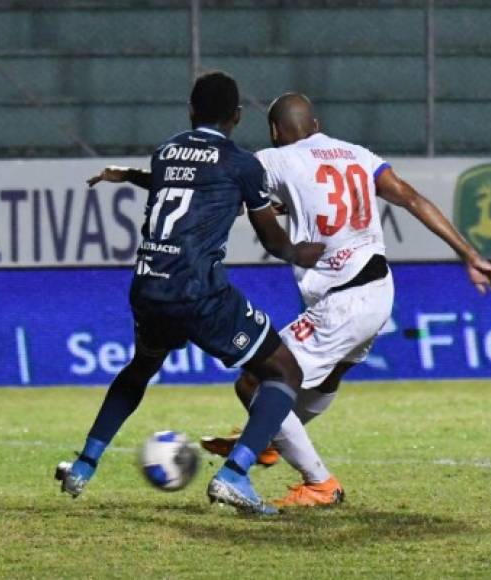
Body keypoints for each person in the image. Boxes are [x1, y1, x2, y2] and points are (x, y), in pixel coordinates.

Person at [93, 93, 491, 508]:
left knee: (255, 381)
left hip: (340, 301)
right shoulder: (357, 154)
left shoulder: (275, 161)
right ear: (315, 123)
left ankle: (318, 482)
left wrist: (131, 176)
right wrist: (471, 255)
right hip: (380, 290)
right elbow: (411, 198)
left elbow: (203, 185)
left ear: (275, 131)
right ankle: (272, 438)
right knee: (328, 376)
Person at [55, 73, 325, 515]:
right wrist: (304, 250)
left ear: (191, 110)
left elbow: (177, 182)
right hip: (198, 292)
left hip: (148, 286)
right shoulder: (241, 163)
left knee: (141, 367)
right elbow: (275, 243)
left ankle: (85, 464)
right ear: (237, 117)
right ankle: (235, 475)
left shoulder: (165, 152)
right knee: (283, 373)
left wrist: (126, 176)